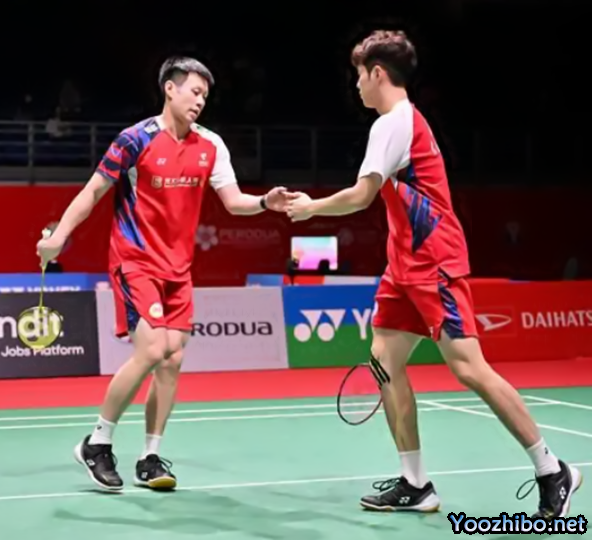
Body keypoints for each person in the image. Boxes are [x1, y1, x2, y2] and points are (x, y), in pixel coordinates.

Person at [284, 30, 581, 519]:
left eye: (359, 75)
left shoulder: (393, 124)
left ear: (378, 73)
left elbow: (361, 196)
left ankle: (552, 470)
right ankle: (416, 483)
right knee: (384, 360)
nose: (356, 85)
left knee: (469, 368)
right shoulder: (402, 122)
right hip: (404, 266)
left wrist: (310, 208)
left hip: (434, 262)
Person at [36, 56, 289, 492]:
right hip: (135, 259)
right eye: (194, 91)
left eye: (205, 95)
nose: (200, 101)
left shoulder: (211, 144)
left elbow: (233, 202)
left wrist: (266, 202)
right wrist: (59, 235)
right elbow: (94, 190)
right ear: (169, 89)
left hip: (178, 268)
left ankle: (149, 456)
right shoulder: (135, 140)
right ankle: (98, 442)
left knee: (172, 359)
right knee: (153, 348)